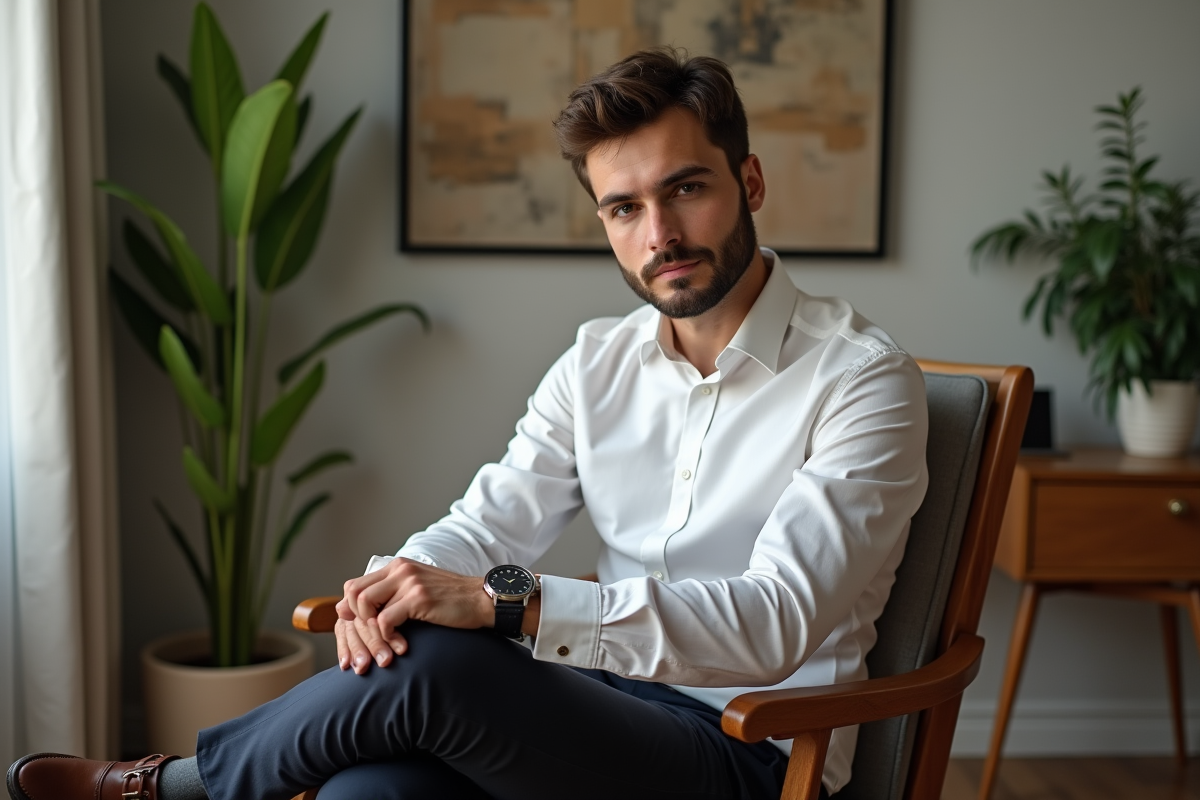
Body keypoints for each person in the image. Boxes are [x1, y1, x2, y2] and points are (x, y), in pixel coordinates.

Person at [7, 47, 927, 800]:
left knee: (443, 664)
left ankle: (167, 787)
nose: (661, 235)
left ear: (750, 181)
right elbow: (490, 521)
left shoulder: (863, 381)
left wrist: (507, 604)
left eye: (686, 190)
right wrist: (393, 584)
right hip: (596, 707)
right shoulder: (597, 361)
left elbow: (778, 621)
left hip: (753, 750)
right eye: (624, 207)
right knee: (368, 789)